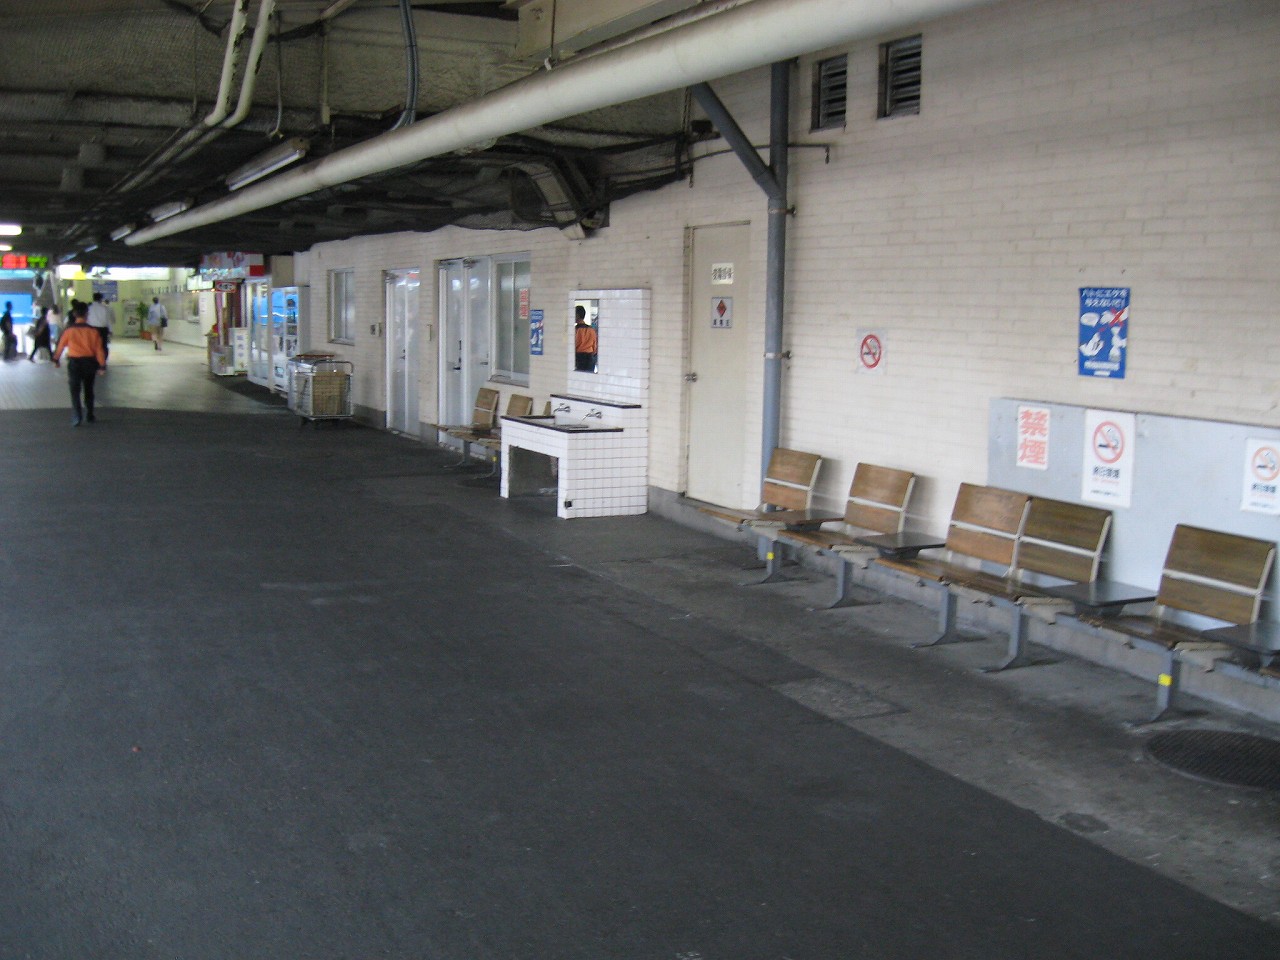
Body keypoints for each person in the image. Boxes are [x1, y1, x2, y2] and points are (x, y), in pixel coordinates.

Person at [52, 302, 107, 426]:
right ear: (87, 314)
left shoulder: (69, 331)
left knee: (75, 390)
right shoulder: (93, 331)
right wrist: (102, 365)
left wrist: (56, 359)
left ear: (74, 314)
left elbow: (60, 346)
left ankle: (77, 416)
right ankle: (90, 414)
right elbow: (99, 350)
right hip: (90, 363)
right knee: (89, 389)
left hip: (75, 363)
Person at [86, 291, 112, 362]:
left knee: (92, 345)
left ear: (93, 298)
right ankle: (103, 361)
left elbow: (87, 320)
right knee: (103, 346)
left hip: (92, 329)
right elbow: (108, 320)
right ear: (101, 299)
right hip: (103, 329)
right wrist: (110, 330)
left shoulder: (89, 308)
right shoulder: (105, 308)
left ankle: (94, 360)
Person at [573, 304, 597, 372]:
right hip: (590, 358)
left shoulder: (575, 330)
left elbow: (573, 346)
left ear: (577, 315)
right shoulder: (591, 330)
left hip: (579, 359)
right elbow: (595, 346)